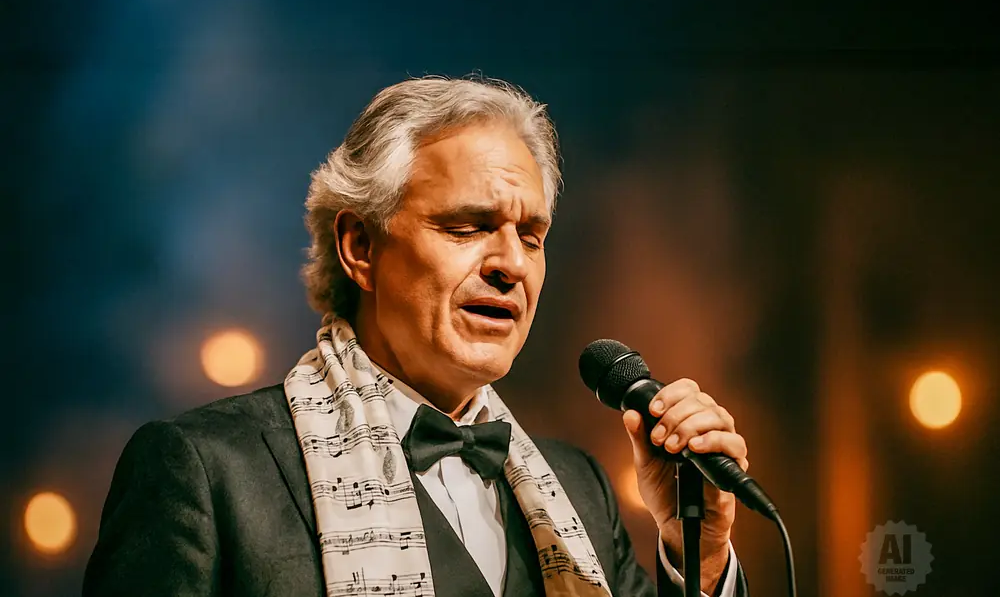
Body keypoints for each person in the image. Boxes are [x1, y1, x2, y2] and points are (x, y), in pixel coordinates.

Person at [83, 76, 751, 597]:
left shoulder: (579, 488)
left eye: (531, 236)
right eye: (467, 227)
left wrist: (700, 551)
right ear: (360, 246)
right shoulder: (205, 471)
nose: (511, 264)